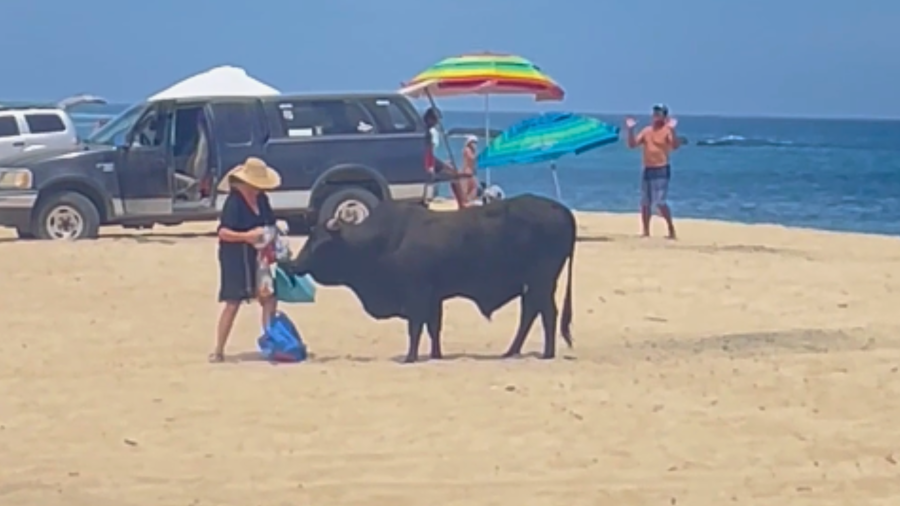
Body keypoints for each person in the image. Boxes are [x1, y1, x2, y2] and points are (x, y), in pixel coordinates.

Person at [210, 157, 281, 362]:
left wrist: (271, 241)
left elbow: (271, 224)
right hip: (234, 256)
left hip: (259, 256)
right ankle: (219, 349)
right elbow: (223, 232)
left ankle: (270, 342)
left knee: (269, 298)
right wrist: (247, 236)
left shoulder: (262, 200)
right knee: (233, 302)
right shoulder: (234, 202)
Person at [625, 104, 680, 239]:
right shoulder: (647, 130)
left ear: (664, 116)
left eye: (659, 113)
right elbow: (632, 145)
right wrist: (631, 130)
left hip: (661, 168)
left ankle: (670, 229)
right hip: (648, 168)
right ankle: (645, 231)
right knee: (645, 202)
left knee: (660, 202)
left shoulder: (667, 130)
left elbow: (675, 146)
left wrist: (673, 131)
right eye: (655, 113)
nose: (656, 116)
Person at [422, 107, 467, 209]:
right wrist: (430, 166)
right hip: (428, 161)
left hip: (430, 160)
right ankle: (462, 203)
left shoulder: (426, 130)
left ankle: (462, 201)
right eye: (435, 120)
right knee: (453, 174)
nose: (436, 123)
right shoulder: (425, 133)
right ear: (430, 118)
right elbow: (427, 151)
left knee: (452, 171)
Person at [460, 135, 480, 204]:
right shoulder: (467, 149)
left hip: (471, 171)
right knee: (468, 188)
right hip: (467, 171)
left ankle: (469, 200)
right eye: (473, 142)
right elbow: (472, 158)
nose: (474, 144)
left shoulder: (471, 150)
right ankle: (466, 201)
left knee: (473, 187)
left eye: (475, 143)